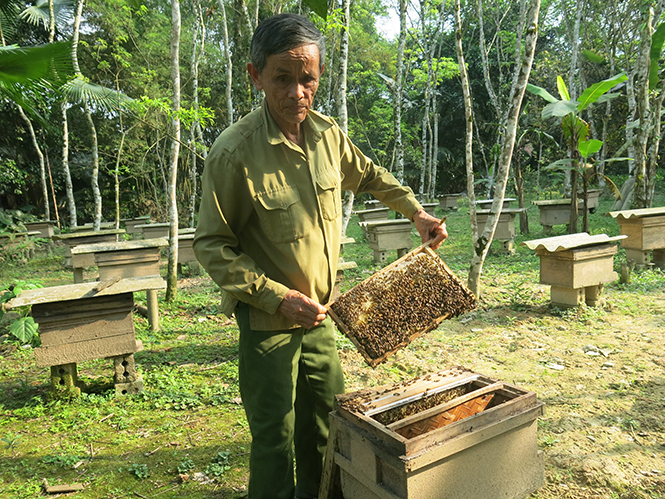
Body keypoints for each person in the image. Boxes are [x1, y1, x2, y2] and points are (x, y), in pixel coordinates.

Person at [193, 13, 447, 499]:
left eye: (306, 79)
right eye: (282, 79)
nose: (296, 93)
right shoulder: (234, 153)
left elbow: (370, 174)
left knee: (330, 423)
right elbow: (211, 244)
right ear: (256, 76)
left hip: (323, 317)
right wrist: (276, 297)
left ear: (320, 76)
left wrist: (415, 212)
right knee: (275, 440)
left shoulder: (327, 136)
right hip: (269, 322)